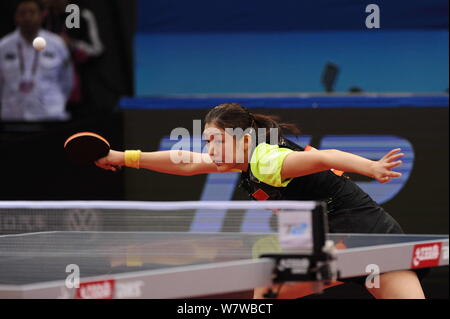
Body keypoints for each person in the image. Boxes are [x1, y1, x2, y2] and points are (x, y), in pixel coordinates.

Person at [95, 102, 426, 299]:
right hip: (341, 242)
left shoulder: (268, 160)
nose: (209, 150)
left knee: (268, 288)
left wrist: (372, 167)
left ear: (243, 139)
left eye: (216, 140)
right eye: (207, 140)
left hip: (369, 239)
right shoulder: (243, 160)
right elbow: (188, 161)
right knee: (267, 290)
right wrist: (122, 156)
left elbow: (327, 157)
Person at [0, 0, 73, 122]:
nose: (27, 17)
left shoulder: (57, 44)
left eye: (32, 12)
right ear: (16, 17)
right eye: (22, 13)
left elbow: (67, 81)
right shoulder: (3, 46)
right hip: (13, 117)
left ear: (41, 15)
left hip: (50, 116)